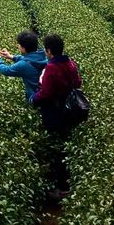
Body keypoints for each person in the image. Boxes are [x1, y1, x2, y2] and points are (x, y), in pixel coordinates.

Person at [30, 33, 82, 200]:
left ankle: (61, 187)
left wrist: (33, 99)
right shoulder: (70, 63)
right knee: (64, 144)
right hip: (69, 110)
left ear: (49, 51)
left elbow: (45, 93)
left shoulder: (52, 68)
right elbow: (78, 82)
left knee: (57, 149)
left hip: (55, 112)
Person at [0, 30, 47, 101]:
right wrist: (11, 56)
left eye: (19, 45)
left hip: (34, 97)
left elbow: (6, 70)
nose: (18, 46)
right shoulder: (43, 54)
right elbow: (29, 59)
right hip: (44, 92)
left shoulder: (23, 65)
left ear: (23, 49)